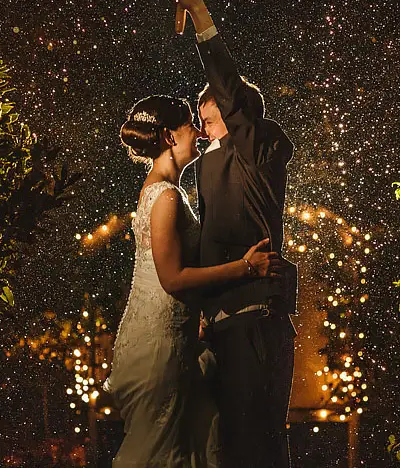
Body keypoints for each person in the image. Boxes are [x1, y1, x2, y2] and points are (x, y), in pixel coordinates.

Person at [108, 94, 282, 468]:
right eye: (191, 124)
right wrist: (246, 267)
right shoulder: (166, 196)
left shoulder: (165, 191)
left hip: (176, 337)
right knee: (161, 452)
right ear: (171, 137)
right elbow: (172, 278)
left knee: (195, 444)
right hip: (161, 345)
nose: (200, 132)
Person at [172, 0, 297, 468]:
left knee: (259, 444)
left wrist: (199, 11)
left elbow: (226, 83)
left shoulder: (259, 144)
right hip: (221, 327)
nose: (202, 132)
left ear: (236, 111)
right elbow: (207, 241)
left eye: (209, 118)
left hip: (257, 322)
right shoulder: (207, 167)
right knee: (227, 449)